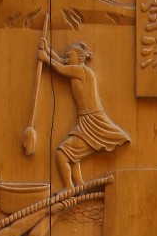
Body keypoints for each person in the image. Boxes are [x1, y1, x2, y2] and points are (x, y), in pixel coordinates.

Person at [37, 35, 131, 190]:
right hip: (86, 120)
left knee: (62, 154)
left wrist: (45, 58)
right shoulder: (76, 69)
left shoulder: (80, 71)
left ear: (79, 57)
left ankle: (69, 188)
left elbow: (60, 68)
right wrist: (47, 50)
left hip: (92, 121)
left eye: (69, 56)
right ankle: (79, 185)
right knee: (72, 155)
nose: (66, 59)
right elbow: (61, 62)